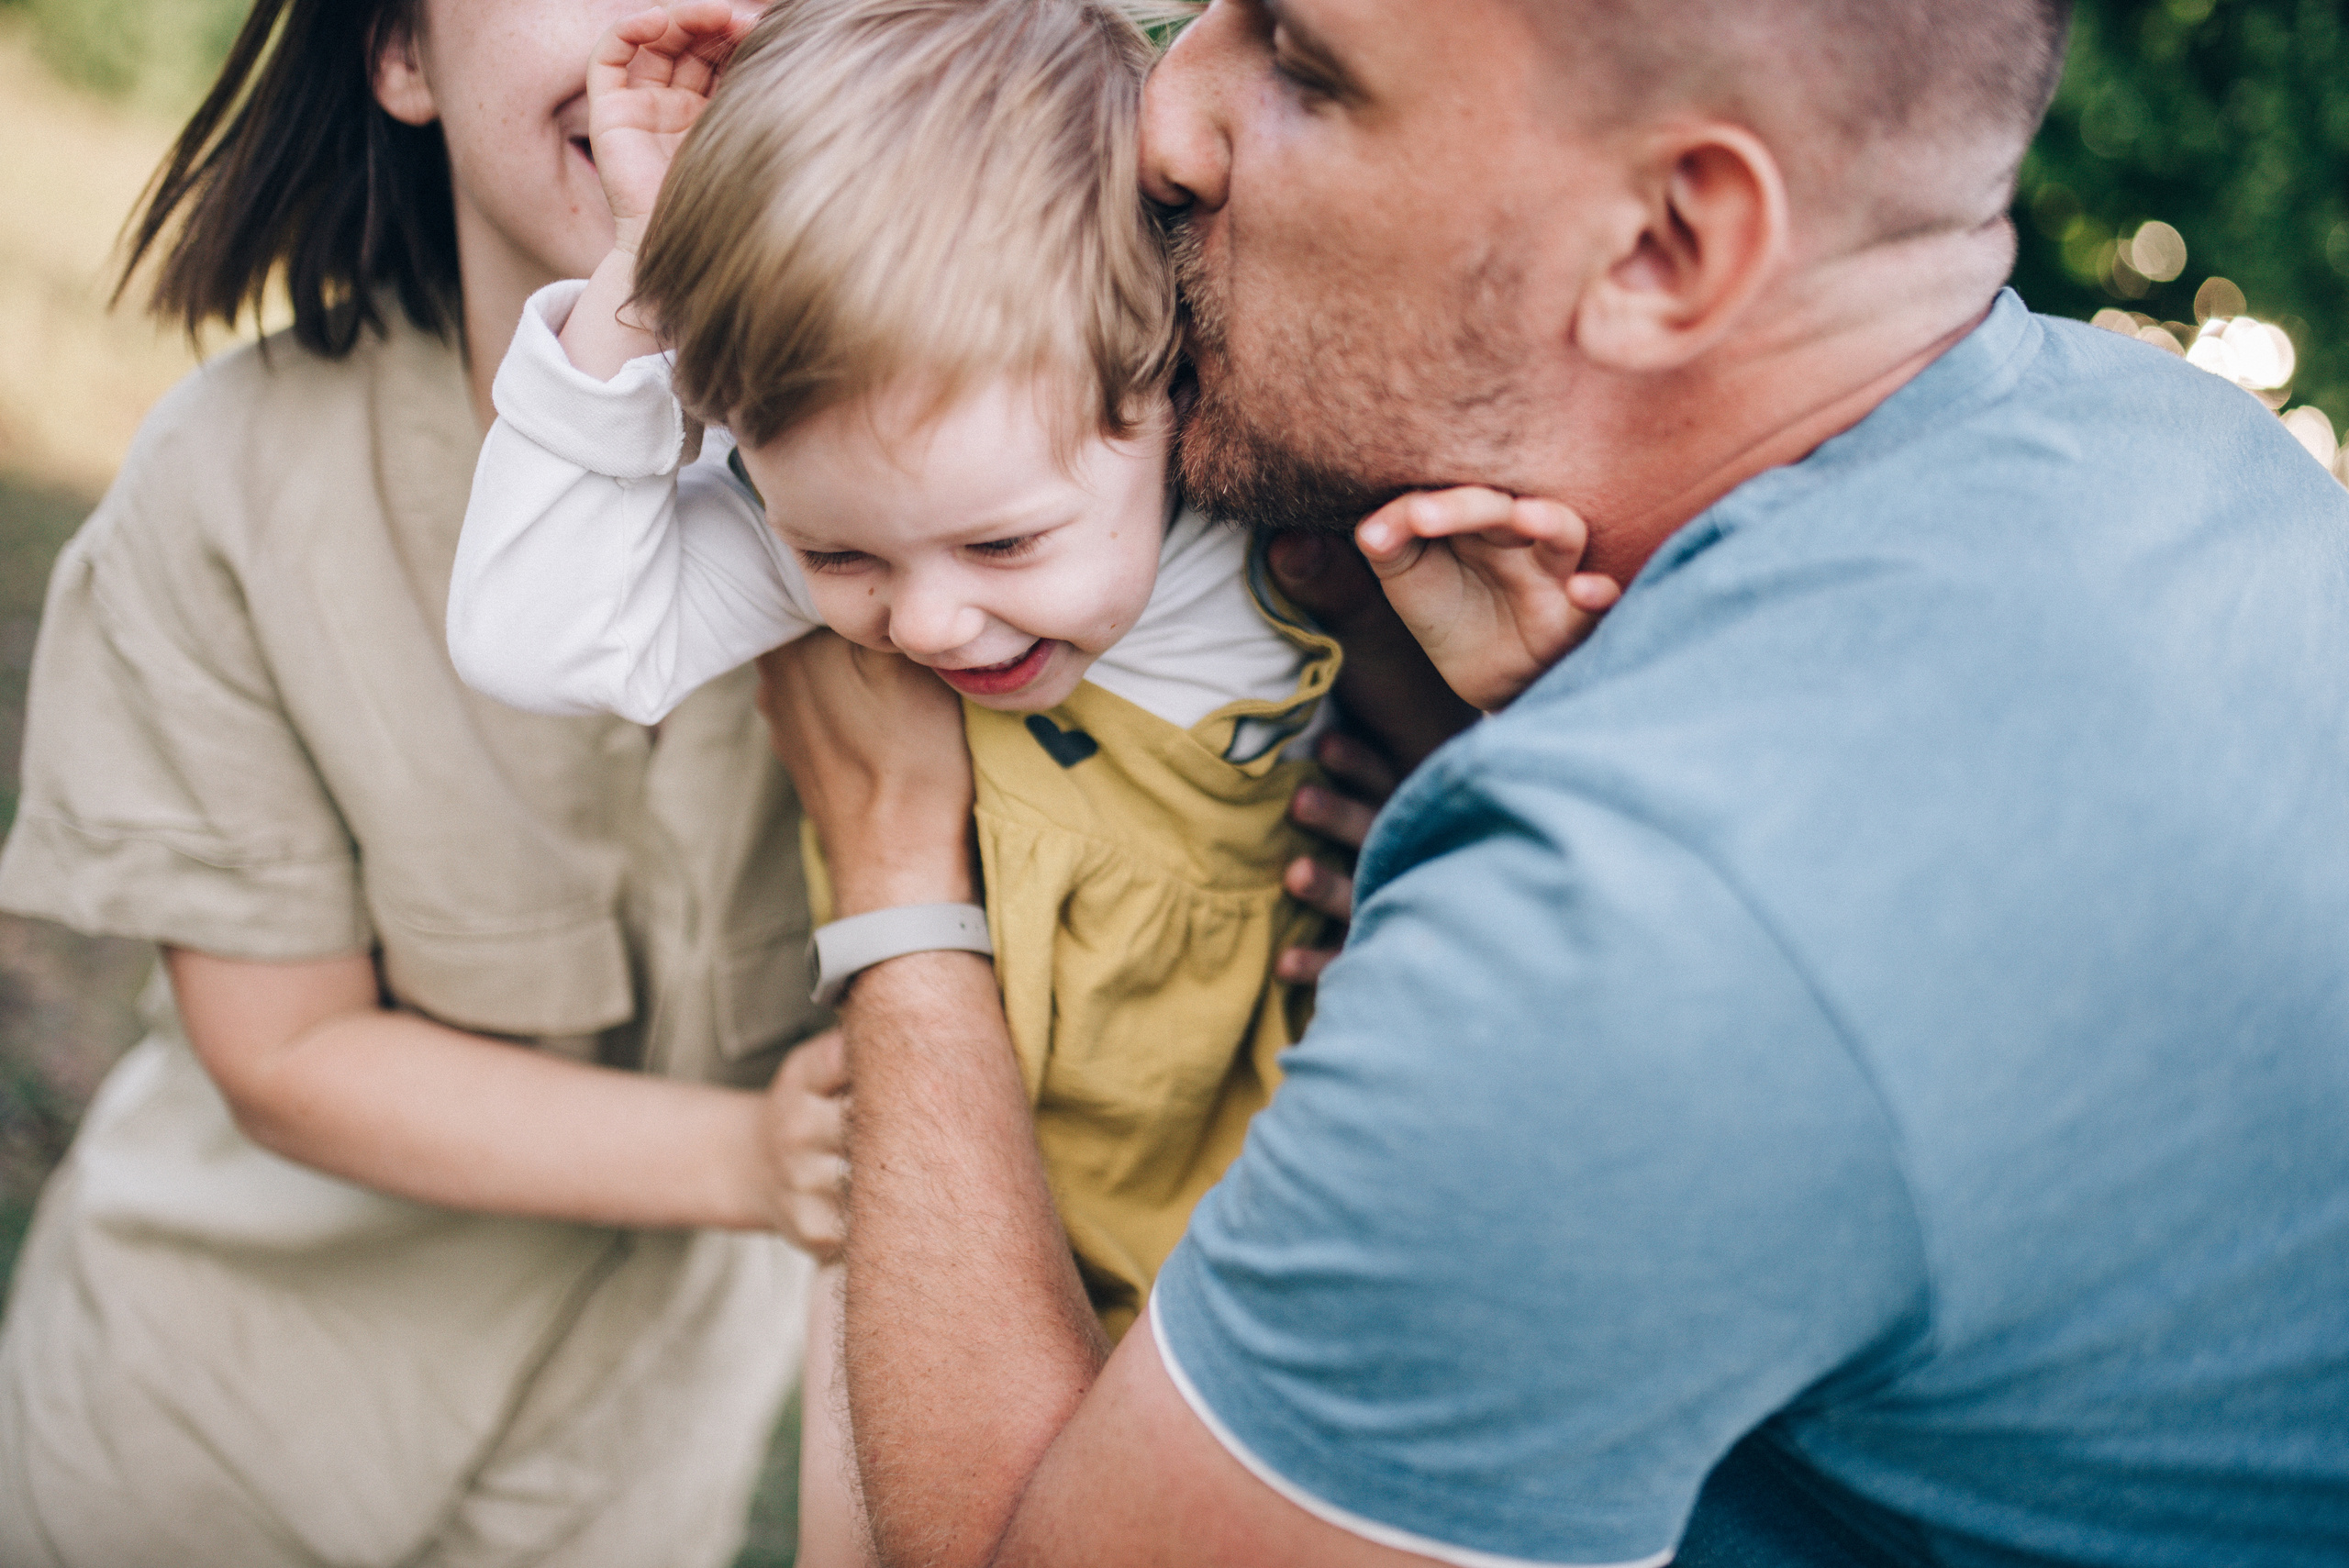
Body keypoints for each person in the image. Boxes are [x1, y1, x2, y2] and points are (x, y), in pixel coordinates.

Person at [749, 0, 2349, 1564]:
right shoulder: (2179, 452)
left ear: (1664, 245)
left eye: (1303, 61)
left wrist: (896, 881)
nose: (1167, 110)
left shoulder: (1656, 937)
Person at [0, 2, 848, 1564]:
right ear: (399, 54)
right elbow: (287, 1048)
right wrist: (752, 1156)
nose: (679, 13)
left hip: (627, 1478)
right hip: (204, 1447)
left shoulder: (943, 506)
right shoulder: (228, 487)